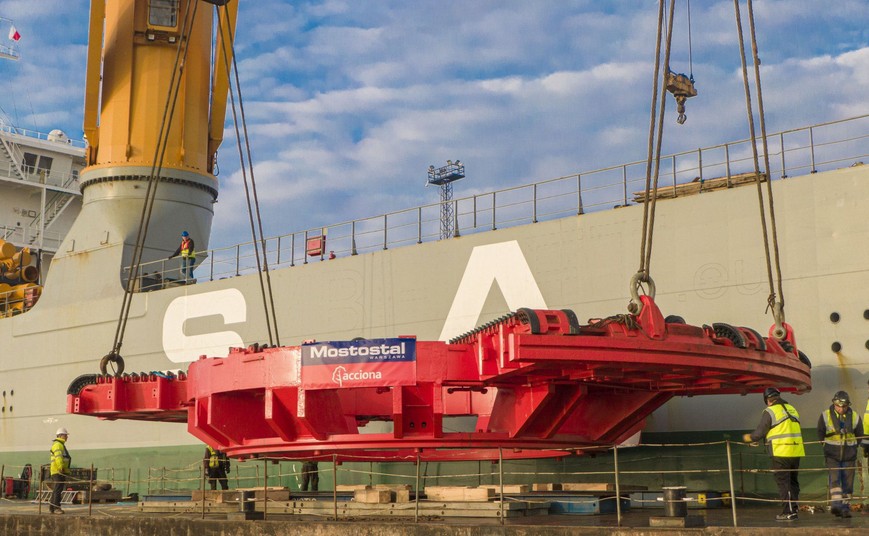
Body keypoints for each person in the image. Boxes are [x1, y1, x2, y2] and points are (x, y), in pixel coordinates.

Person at [743, 387, 804, 521]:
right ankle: (794, 509)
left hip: (781, 452)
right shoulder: (792, 408)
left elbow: (760, 432)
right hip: (796, 451)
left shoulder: (770, 411)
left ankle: (788, 512)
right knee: (793, 482)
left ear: (767, 400)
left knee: (783, 483)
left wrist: (749, 438)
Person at [817, 390, 862, 518]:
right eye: (838, 406)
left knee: (848, 483)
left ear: (848, 405)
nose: (841, 409)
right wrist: (826, 446)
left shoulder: (855, 416)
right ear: (834, 404)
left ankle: (845, 509)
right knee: (835, 480)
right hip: (832, 455)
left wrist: (853, 448)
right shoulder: (825, 415)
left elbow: (860, 434)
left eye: (844, 406)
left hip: (849, 455)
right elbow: (820, 433)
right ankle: (836, 505)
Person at [49, 427, 72, 515]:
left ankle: (52, 508)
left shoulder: (60, 444)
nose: (67, 437)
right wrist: (60, 468)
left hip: (58, 471)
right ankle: (56, 508)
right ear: (61, 435)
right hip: (58, 471)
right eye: (66, 435)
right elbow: (59, 458)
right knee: (58, 490)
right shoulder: (58, 445)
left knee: (56, 490)